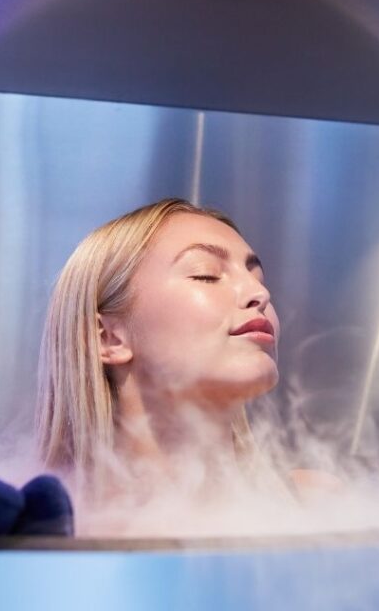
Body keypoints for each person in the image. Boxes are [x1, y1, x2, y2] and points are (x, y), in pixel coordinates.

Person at [34, 198, 285, 505]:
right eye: (205, 274)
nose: (260, 293)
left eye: (258, 278)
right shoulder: (62, 527)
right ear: (108, 338)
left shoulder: (315, 502)